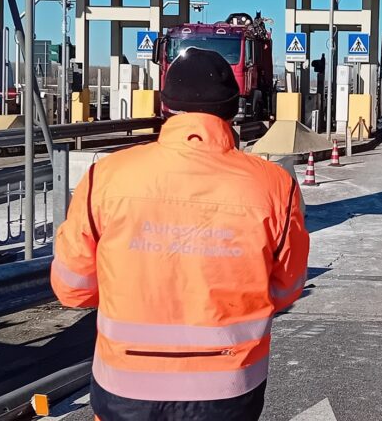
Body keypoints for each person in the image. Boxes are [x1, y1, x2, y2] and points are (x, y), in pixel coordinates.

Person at [51, 48, 309, 421]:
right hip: (229, 387)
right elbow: (287, 287)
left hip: (125, 385)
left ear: (165, 106)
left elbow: (72, 288)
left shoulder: (104, 177)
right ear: (233, 111)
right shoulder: (275, 186)